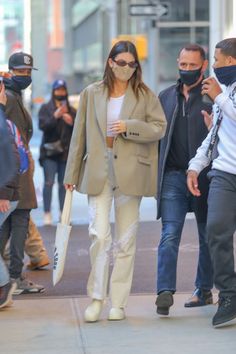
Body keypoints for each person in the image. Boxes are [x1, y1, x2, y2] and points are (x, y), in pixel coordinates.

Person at [64, 40, 166, 322]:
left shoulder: (144, 94)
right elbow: (79, 136)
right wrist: (71, 174)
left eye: (132, 65)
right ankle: (97, 297)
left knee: (126, 240)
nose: (127, 69)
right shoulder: (91, 93)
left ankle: (118, 302)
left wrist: (129, 127)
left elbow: (159, 128)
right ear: (110, 62)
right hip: (98, 169)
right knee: (98, 235)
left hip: (131, 172)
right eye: (122, 63)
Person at [155, 44, 214, 316]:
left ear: (203, 66)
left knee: (207, 236)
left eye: (193, 65)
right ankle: (164, 292)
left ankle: (203, 290)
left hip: (207, 177)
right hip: (174, 177)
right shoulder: (166, 97)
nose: (187, 70)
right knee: (169, 234)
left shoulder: (214, 97)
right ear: (177, 63)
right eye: (183, 64)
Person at [187, 37, 236, 327]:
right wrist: (195, 166)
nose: (215, 65)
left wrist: (219, 97)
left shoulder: (222, 94)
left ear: (230, 61)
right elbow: (215, 134)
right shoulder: (224, 92)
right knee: (216, 230)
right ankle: (229, 293)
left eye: (217, 60)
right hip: (224, 173)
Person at [0, 52, 45, 294]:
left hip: (16, 168)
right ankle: (14, 278)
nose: (25, 76)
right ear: (10, 71)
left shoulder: (13, 95)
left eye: (28, 72)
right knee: (18, 223)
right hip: (14, 169)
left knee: (10, 224)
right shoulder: (8, 97)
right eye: (20, 71)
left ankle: (10, 278)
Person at [38, 79, 76, 225]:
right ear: (53, 91)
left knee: (63, 184)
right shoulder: (45, 109)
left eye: (62, 90)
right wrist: (55, 116)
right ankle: (47, 213)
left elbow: (79, 132)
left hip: (65, 153)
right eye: (57, 90)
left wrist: (71, 122)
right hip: (49, 153)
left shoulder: (72, 111)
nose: (60, 93)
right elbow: (43, 127)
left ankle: (63, 213)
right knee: (48, 183)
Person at [0, 82, 18, 308]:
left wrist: (3, 194)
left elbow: (10, 157)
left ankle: (5, 286)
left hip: (6, 194)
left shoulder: (4, 122)